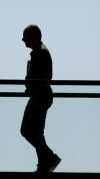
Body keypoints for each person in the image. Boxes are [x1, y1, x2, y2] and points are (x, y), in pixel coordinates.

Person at [21, 24, 61, 173]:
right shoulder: (40, 52)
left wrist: (34, 93)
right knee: (36, 132)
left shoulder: (40, 53)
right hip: (40, 96)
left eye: (25, 35)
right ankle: (44, 162)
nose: (23, 39)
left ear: (33, 36)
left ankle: (48, 158)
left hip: (39, 97)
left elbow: (43, 78)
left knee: (27, 130)